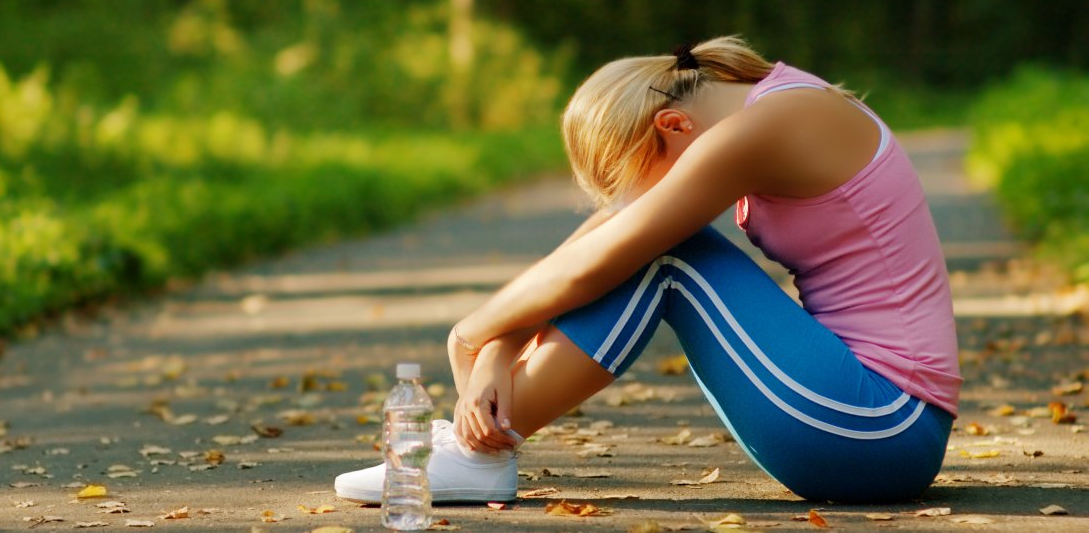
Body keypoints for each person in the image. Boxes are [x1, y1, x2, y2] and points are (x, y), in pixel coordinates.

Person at [335, 35, 960, 504]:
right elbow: (595, 241)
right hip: (858, 418)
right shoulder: (763, 105)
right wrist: (499, 344)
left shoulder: (769, 123)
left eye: (648, 176)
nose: (653, 197)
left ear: (672, 124)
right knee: (652, 244)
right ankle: (479, 445)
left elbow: (613, 252)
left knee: (665, 252)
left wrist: (468, 334)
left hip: (883, 426)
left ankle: (480, 453)